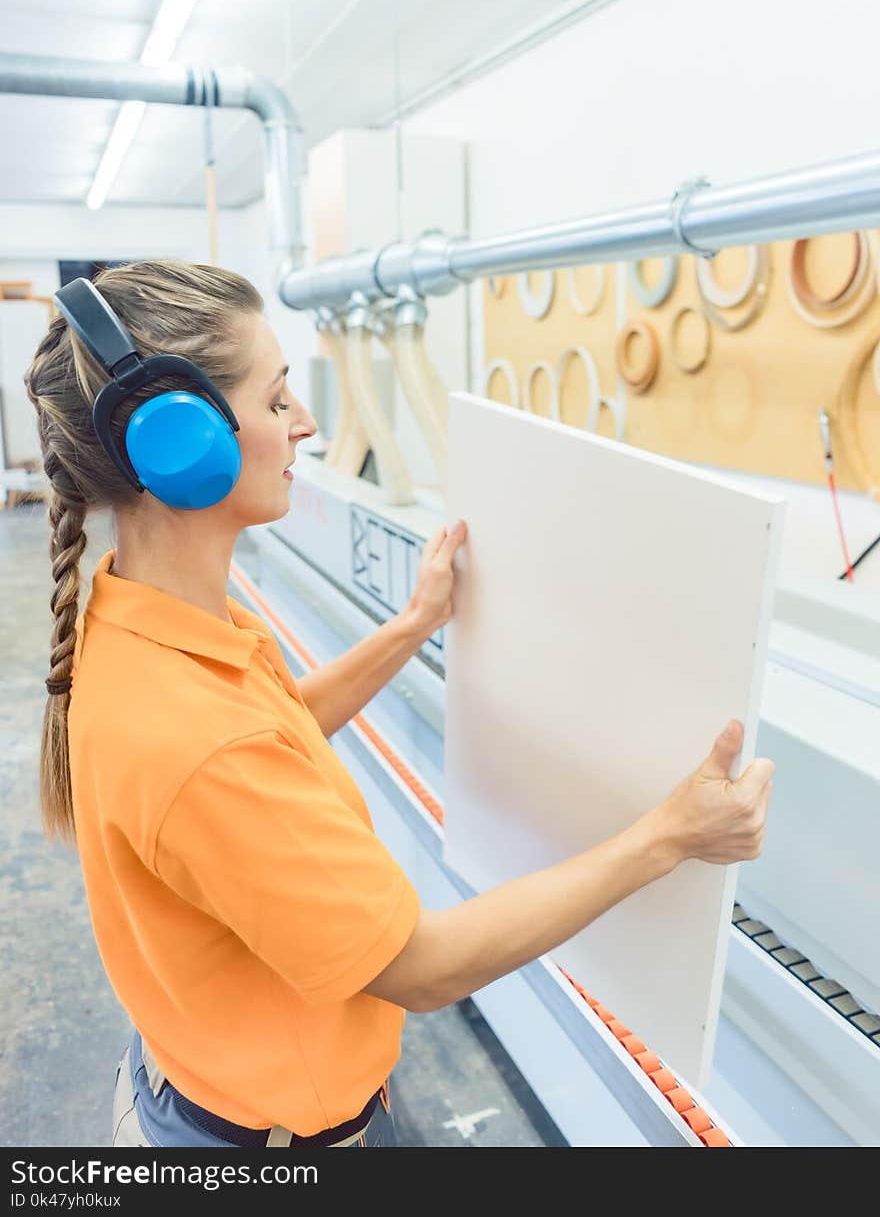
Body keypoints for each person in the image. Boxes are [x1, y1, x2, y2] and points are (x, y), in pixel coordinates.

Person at [24, 259, 773, 1149]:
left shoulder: (138, 617)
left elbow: (276, 722)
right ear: (176, 445)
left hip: (194, 1088)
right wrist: (670, 836)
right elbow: (422, 967)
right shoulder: (198, 741)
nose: (305, 424)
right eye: (274, 402)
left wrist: (416, 622)